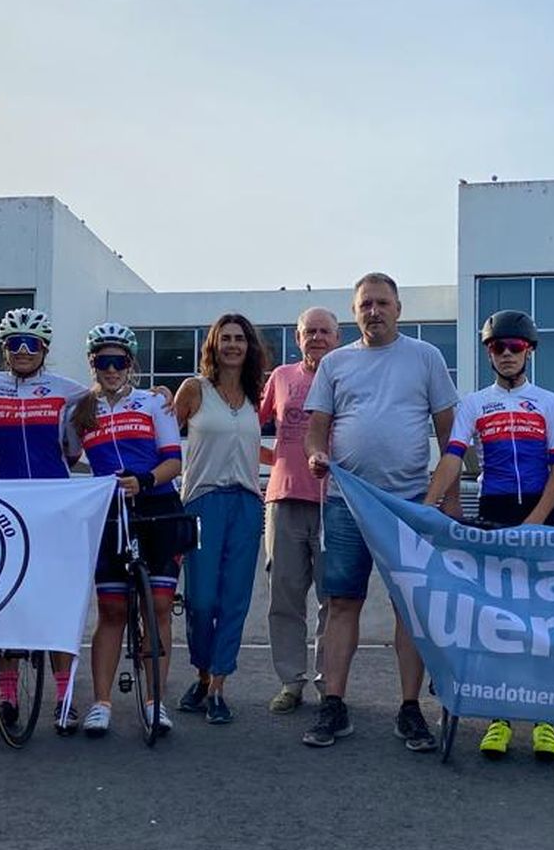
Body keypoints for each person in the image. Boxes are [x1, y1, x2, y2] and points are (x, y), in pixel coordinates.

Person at [304, 272, 459, 750]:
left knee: (408, 608)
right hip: (346, 501)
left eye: (382, 303)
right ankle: (334, 704)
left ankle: (410, 709)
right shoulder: (335, 364)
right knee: (341, 603)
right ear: (354, 312)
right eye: (365, 304)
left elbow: (451, 437)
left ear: (399, 308)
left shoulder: (426, 358)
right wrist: (315, 454)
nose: (374, 311)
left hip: (408, 503)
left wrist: (442, 505)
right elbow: (317, 429)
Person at [422, 310, 554, 760]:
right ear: (488, 352)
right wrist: (428, 506)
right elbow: (453, 459)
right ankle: (500, 716)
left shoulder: (548, 402)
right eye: (497, 347)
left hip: (540, 515)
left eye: (515, 347)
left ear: (529, 351)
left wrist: (536, 521)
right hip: (494, 512)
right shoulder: (475, 404)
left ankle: (545, 719)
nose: (506, 354)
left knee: (543, 620)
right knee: (500, 621)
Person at [0, 307, 91, 734]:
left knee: (56, 605)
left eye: (33, 344)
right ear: (4, 349)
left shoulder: (65, 389)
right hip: (7, 506)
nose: (24, 351)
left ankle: (65, 699)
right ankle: (6, 698)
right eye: (16, 344)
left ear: (45, 349)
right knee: (6, 602)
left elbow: (97, 398)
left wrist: (159, 390)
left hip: (53, 505)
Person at [72, 322, 184, 737]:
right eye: (104, 361)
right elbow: (63, 458)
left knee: (157, 607)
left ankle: (156, 700)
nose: (112, 369)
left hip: (156, 506)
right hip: (109, 512)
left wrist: (146, 481)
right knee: (113, 610)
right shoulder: (81, 410)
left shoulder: (154, 403)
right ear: (93, 364)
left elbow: (175, 461)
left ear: (131, 364)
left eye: (119, 361)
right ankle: (101, 703)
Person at [173, 314, 267, 725]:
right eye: (225, 338)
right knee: (200, 599)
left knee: (234, 601)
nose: (233, 345)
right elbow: (163, 432)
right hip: (202, 503)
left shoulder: (254, 396)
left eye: (240, 339)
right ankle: (201, 671)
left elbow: (247, 445)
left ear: (249, 347)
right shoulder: (195, 390)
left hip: (246, 504)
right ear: (214, 344)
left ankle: (217, 687)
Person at [259, 306, 337, 713]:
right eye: (311, 332)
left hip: (333, 503)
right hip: (284, 499)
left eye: (325, 331)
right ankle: (291, 681)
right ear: (298, 337)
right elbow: (244, 423)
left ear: (337, 338)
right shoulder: (281, 377)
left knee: (333, 600)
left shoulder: (346, 374)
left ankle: (330, 683)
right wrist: (275, 462)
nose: (318, 338)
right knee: (284, 598)